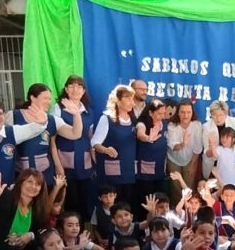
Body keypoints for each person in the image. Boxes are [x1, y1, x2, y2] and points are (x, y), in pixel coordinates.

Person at [7, 84, 78, 186]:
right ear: (32, 97)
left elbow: (75, 134)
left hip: (45, 174)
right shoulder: (13, 116)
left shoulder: (52, 120)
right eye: (45, 98)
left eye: (49, 99)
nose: (48, 102)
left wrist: (76, 115)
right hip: (21, 175)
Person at [52, 76, 94, 220]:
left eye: (79, 87)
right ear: (66, 89)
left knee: (85, 202)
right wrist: (57, 165)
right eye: (71, 86)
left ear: (84, 91)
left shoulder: (88, 111)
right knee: (70, 202)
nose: (75, 90)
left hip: (86, 164)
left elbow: (91, 138)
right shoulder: (58, 109)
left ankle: (84, 236)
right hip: (65, 164)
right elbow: (52, 139)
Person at [92, 85, 138, 205]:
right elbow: (95, 143)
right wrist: (106, 150)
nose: (131, 102)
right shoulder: (106, 119)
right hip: (111, 175)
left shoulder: (133, 120)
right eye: (128, 98)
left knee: (126, 204)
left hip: (128, 172)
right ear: (117, 100)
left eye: (132, 99)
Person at [135, 99, 169, 210]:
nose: (162, 116)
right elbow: (140, 134)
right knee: (147, 199)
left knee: (160, 198)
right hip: (145, 171)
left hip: (160, 168)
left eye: (164, 113)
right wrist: (148, 138)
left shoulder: (164, 123)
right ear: (150, 113)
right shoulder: (142, 123)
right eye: (159, 113)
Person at [201, 100, 235, 179]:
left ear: (226, 114)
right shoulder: (206, 127)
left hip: (232, 162)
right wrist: (212, 146)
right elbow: (207, 152)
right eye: (214, 115)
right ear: (211, 115)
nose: (218, 118)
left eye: (221, 115)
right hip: (213, 164)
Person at [167, 99, 203, 203]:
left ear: (192, 113)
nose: (185, 115)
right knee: (176, 187)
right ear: (177, 113)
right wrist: (183, 144)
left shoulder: (197, 125)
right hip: (173, 159)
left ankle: (189, 211)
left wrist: (193, 164)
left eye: (188, 112)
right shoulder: (172, 126)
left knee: (188, 186)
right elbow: (172, 146)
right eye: (182, 112)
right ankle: (177, 210)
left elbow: (198, 147)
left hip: (190, 159)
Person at [90, 184, 117, 250]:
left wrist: (111, 240)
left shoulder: (120, 210)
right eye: (105, 197)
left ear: (115, 196)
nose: (108, 199)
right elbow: (94, 228)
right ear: (100, 198)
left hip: (117, 239)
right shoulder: (97, 210)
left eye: (111, 196)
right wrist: (100, 240)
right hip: (101, 240)